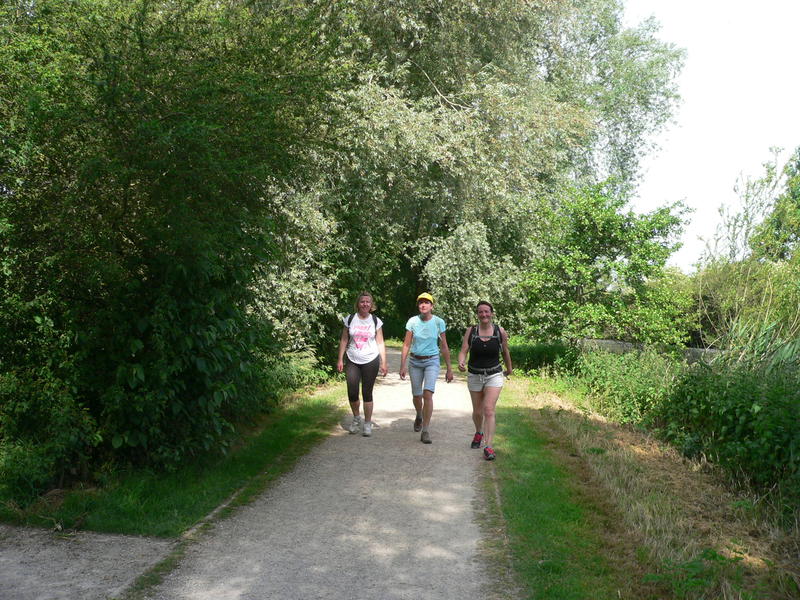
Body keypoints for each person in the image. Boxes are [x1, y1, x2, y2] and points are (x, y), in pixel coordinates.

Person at [457, 300, 513, 460]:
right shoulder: (471, 331)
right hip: (475, 375)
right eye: (481, 312)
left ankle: (489, 446)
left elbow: (505, 352)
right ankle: (478, 432)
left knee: (489, 409)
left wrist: (509, 369)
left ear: (492, 313)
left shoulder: (499, 331)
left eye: (487, 311)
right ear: (477, 315)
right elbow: (463, 350)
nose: (484, 314)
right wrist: (461, 361)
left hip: (494, 375)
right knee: (477, 411)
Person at [399, 292, 453, 444]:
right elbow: (406, 344)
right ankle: (419, 415)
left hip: (432, 361)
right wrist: (402, 365)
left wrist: (449, 368)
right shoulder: (412, 322)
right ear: (418, 306)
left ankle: (426, 430)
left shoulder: (438, 322)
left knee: (427, 394)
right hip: (415, 362)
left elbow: (444, 345)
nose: (423, 305)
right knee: (417, 395)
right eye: (421, 302)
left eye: (426, 302)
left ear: (432, 306)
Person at [337, 292, 388, 437]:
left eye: (368, 302)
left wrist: (384, 362)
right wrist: (340, 359)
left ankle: (367, 423)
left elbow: (380, 342)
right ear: (358, 304)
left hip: (370, 359)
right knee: (352, 391)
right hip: (352, 358)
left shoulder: (376, 321)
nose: (365, 304)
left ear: (371, 305)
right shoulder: (350, 319)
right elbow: (344, 340)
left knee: (367, 392)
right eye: (362, 302)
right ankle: (356, 418)